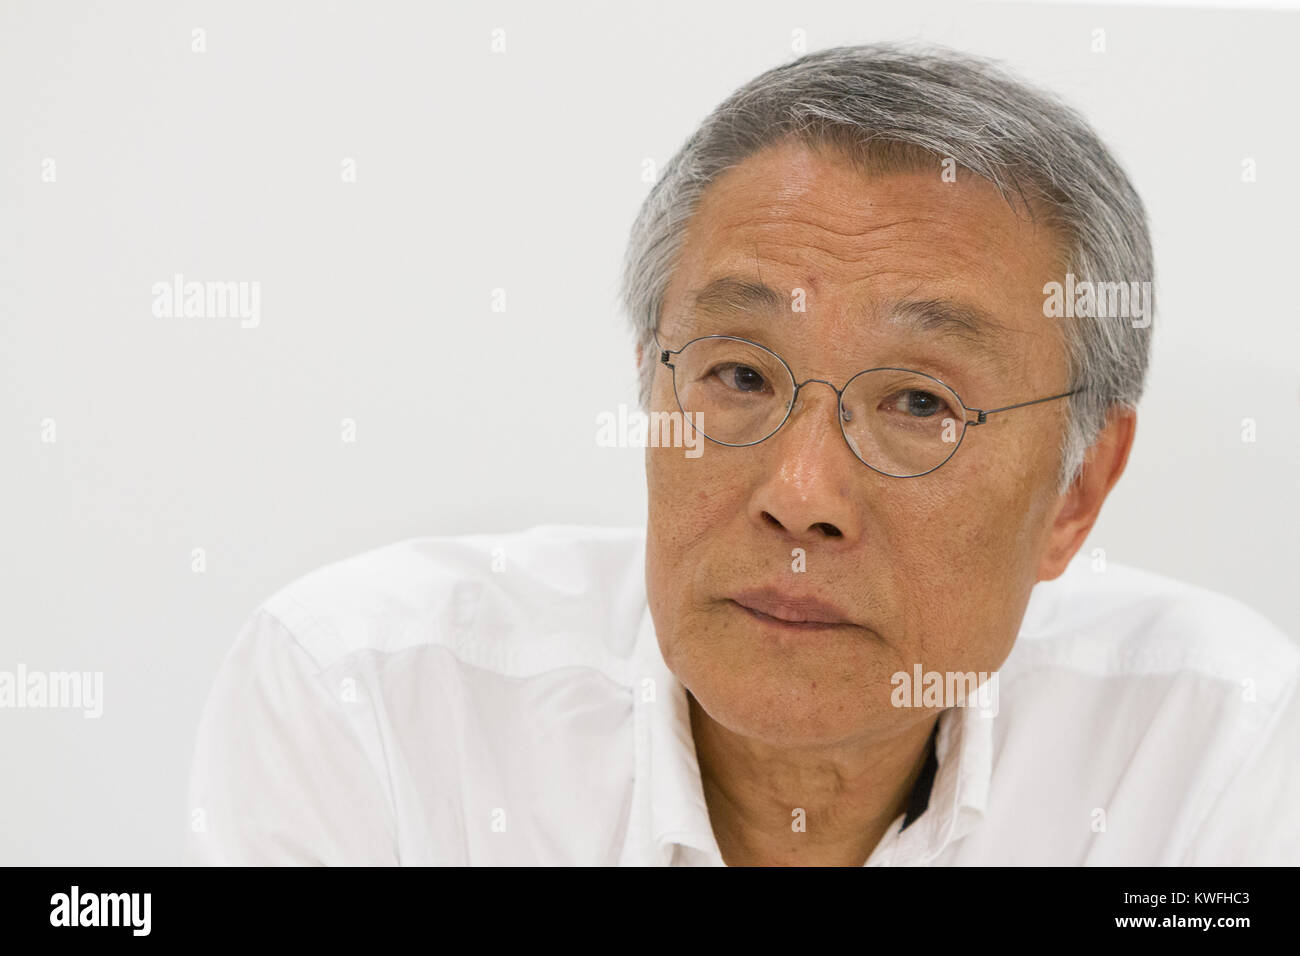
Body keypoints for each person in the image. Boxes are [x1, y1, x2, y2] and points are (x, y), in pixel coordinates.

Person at [186, 42, 1298, 866]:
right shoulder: (369, 695)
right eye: (740, 376)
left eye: (918, 399)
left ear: (1078, 491)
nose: (801, 494)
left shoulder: (1209, 743)